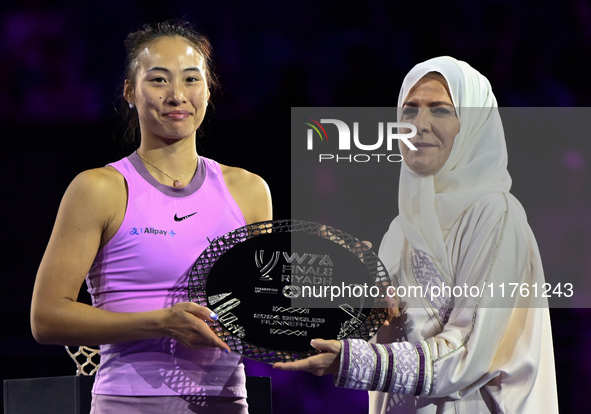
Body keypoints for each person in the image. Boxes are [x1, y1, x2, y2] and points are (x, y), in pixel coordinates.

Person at [274, 56, 559, 413]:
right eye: (409, 111)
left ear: (472, 125)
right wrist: (359, 298)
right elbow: (394, 334)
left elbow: (469, 349)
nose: (419, 125)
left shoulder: (496, 213)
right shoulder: (400, 230)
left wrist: (356, 362)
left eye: (439, 110)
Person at [30, 20, 272, 414]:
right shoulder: (99, 189)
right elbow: (46, 318)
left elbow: (265, 305)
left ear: (209, 90)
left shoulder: (249, 190)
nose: (177, 95)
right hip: (127, 403)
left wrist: (354, 294)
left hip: (226, 403)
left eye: (191, 79)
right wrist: (160, 322)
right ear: (130, 91)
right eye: (159, 80)